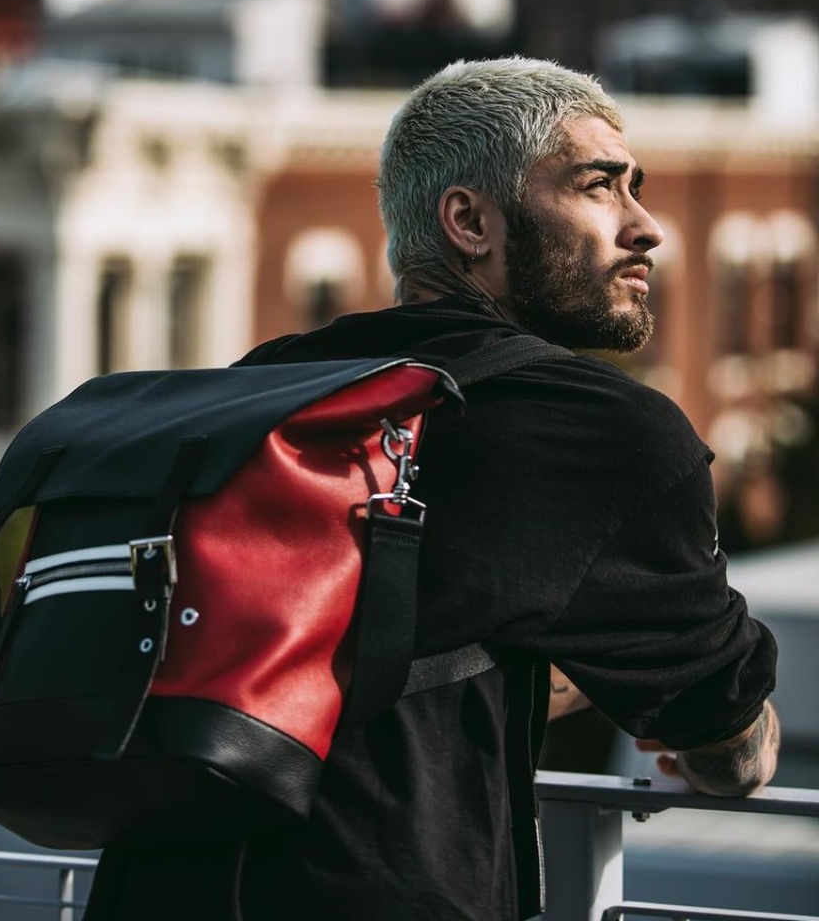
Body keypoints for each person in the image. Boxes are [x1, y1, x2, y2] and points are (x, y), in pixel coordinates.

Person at [82, 57, 780, 921]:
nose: (646, 228)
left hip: (149, 890)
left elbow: (377, 639)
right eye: (600, 187)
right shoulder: (606, 429)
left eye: (637, 189)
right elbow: (725, 740)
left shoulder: (265, 383)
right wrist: (725, 728)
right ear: (469, 221)